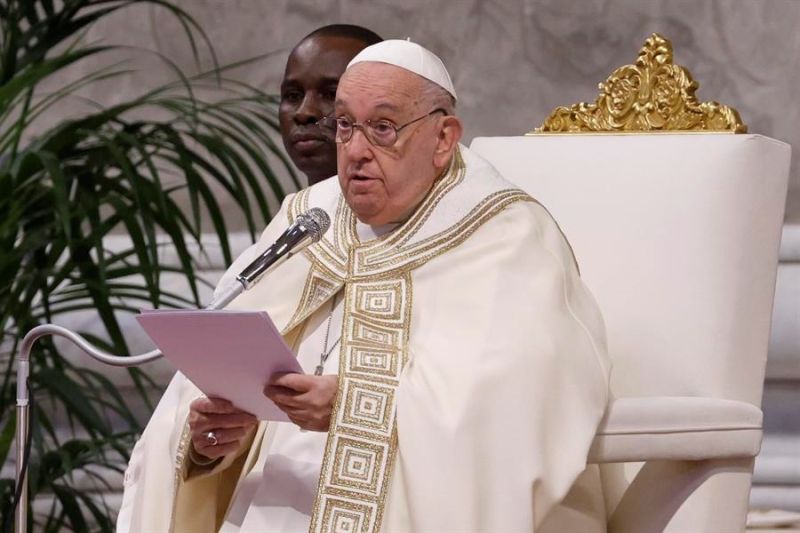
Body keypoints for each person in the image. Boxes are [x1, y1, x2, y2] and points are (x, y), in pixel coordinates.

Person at [117, 40, 610, 532]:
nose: (354, 152)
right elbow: (208, 397)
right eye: (346, 125)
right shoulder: (310, 218)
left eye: (382, 128)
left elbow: (516, 407)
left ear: (443, 138)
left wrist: (351, 407)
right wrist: (216, 443)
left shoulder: (503, 235)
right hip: (265, 505)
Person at [279, 25, 381, 186]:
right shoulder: (289, 211)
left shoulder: (426, 210)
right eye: (293, 95)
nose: (304, 113)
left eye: (332, 94)